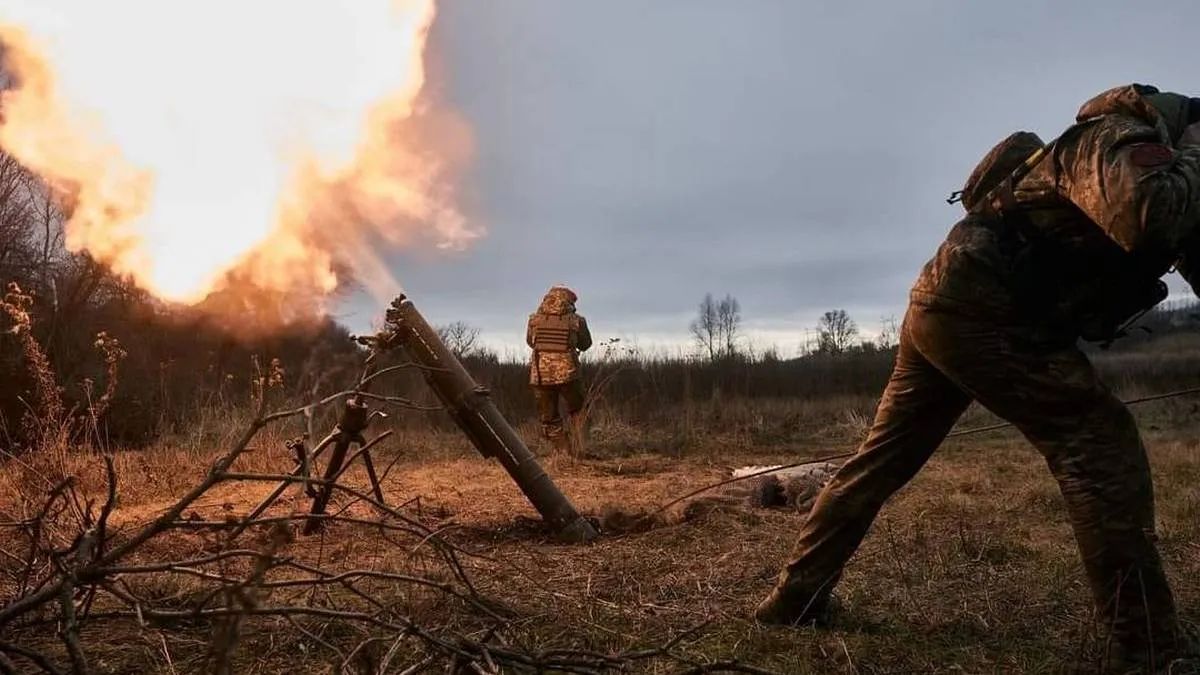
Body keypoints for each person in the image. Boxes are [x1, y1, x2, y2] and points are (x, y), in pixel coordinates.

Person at [754, 84, 1200, 670]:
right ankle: (1148, 653)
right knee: (1099, 444)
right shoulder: (1113, 136)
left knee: (877, 462)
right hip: (984, 310)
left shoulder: (1148, 164)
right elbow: (1150, 216)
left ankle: (793, 599)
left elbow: (1180, 236)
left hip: (944, 304)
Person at [526, 285, 592, 452]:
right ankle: (581, 451)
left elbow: (530, 342)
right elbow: (586, 344)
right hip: (568, 375)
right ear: (569, 301)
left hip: (540, 376)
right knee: (579, 412)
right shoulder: (576, 320)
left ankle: (564, 453)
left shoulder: (534, 320)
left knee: (549, 419)